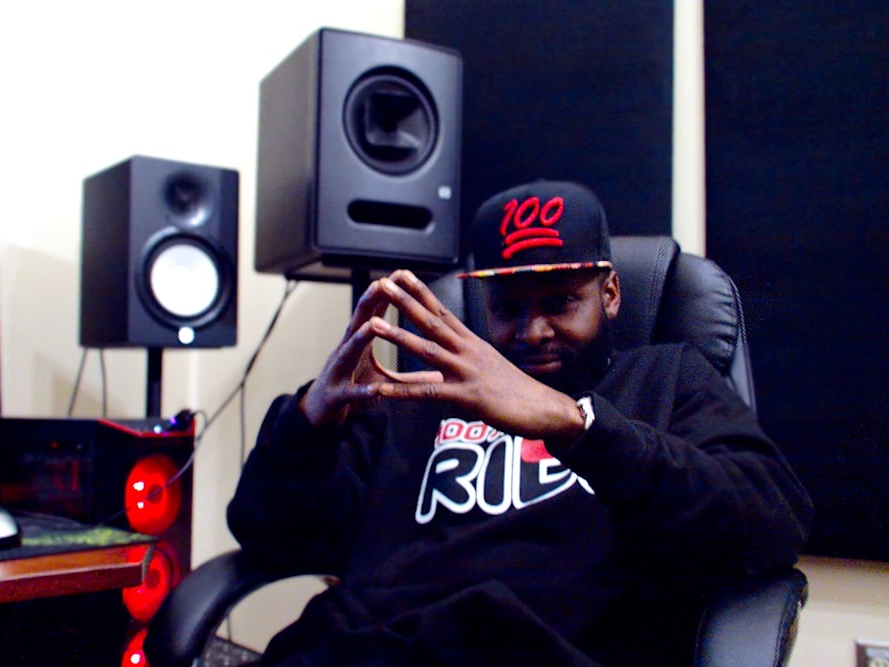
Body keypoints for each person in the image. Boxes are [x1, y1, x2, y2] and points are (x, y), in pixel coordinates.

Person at [228, 181, 813, 666]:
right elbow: (272, 535)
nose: (532, 332)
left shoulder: (667, 378)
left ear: (609, 293)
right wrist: (309, 420)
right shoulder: (419, 395)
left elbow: (772, 521)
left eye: (560, 302)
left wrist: (575, 425)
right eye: (507, 309)